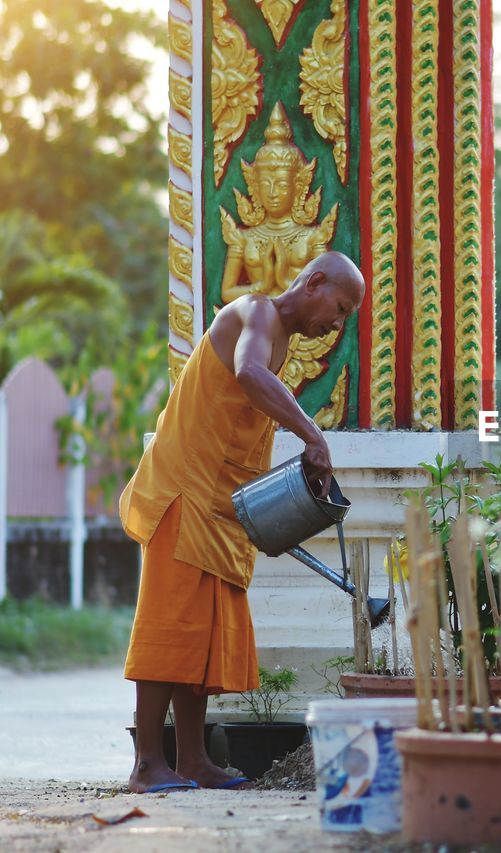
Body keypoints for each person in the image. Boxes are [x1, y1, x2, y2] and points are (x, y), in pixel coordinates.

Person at [118, 251, 365, 792]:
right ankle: (145, 764)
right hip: (183, 492)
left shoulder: (281, 342)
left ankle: (191, 759)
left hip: (219, 502)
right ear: (314, 282)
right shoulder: (256, 314)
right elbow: (248, 374)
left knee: (200, 634)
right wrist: (313, 435)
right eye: (340, 308)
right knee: (170, 628)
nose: (337, 324)